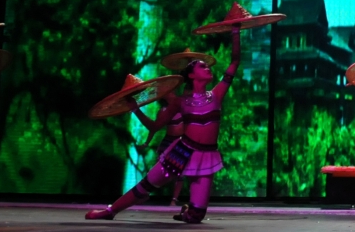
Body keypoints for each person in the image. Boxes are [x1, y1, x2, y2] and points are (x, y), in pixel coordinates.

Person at [86, 27, 241, 223]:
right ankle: (110, 210)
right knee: (145, 186)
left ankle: (187, 211)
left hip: (206, 155)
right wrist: (135, 109)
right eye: (202, 66)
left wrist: (235, 32)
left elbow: (235, 62)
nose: (208, 68)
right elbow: (154, 126)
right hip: (182, 152)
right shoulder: (180, 102)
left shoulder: (216, 95)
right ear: (191, 75)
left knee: (196, 217)